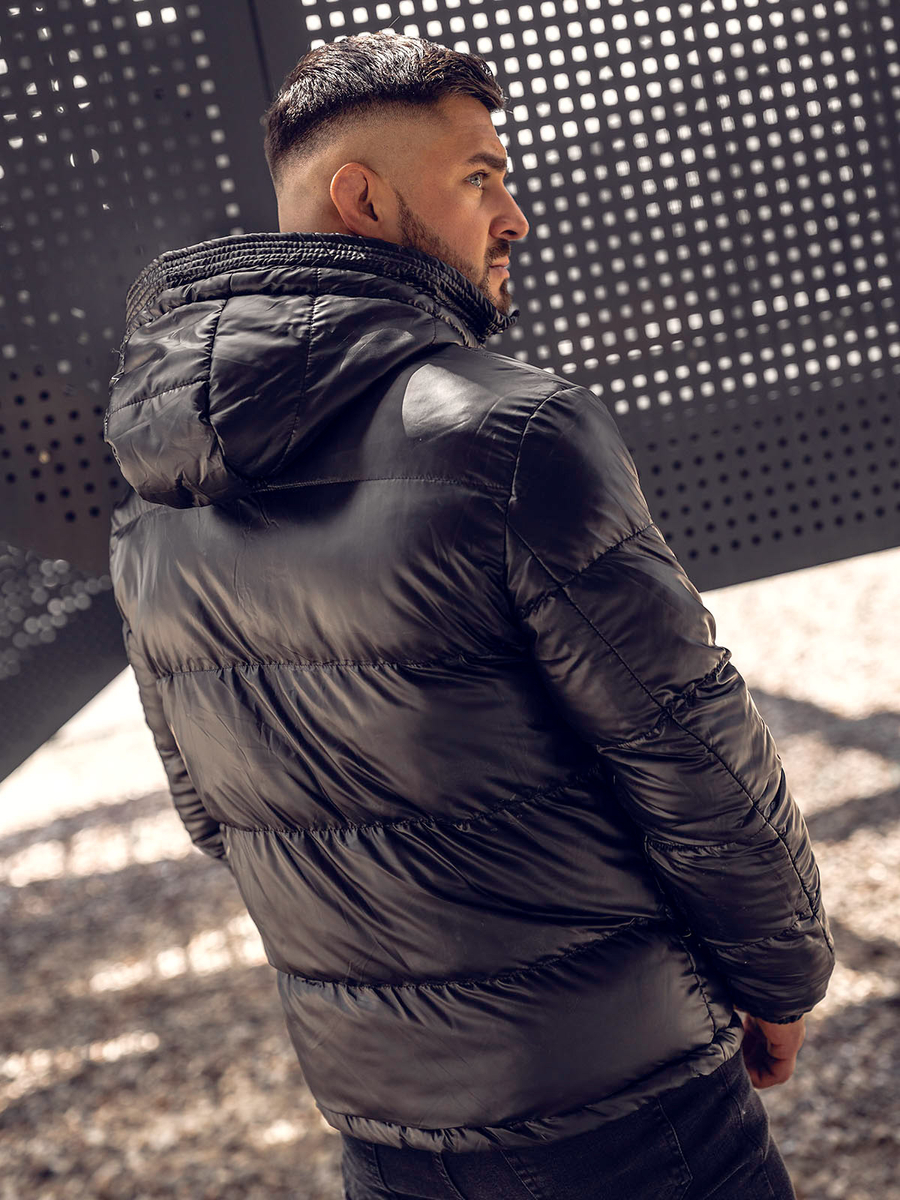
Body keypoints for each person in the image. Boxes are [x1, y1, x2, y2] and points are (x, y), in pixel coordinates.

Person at [104, 31, 834, 1200]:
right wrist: (781, 973)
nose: (516, 218)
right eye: (480, 177)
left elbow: (216, 812)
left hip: (384, 1128)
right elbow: (689, 748)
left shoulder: (155, 500)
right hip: (622, 1104)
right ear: (363, 199)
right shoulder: (511, 434)